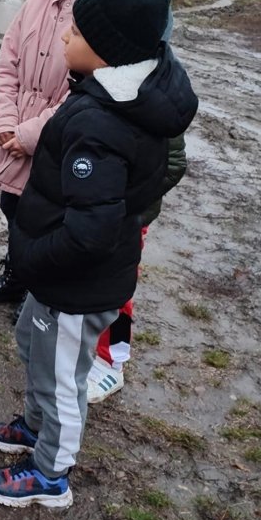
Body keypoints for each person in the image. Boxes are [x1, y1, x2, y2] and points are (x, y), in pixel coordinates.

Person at [0, 0, 198, 509]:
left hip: (75, 284)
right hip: (61, 277)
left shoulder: (103, 124)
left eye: (75, 32)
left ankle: (51, 473)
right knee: (34, 347)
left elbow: (90, 232)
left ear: (106, 50)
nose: (64, 38)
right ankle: (35, 427)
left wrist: (33, 259)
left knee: (62, 379)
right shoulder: (107, 92)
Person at [0, 0, 125, 307]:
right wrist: (4, 122)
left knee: (47, 220)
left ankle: (38, 292)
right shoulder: (36, 2)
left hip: (58, 140)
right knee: (13, 208)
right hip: (16, 131)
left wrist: (30, 135)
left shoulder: (103, 15)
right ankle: (15, 276)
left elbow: (87, 90)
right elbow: (6, 66)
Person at [87, 132, 186, 403]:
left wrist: (125, 206)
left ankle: (112, 362)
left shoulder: (158, 107)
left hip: (125, 217)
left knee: (118, 290)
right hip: (87, 208)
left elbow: (174, 163)